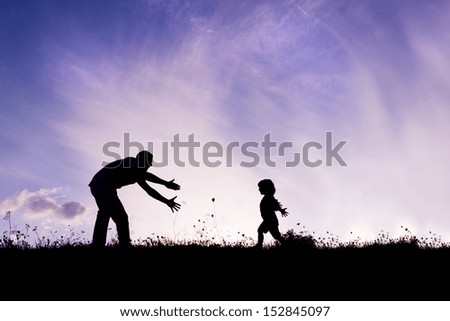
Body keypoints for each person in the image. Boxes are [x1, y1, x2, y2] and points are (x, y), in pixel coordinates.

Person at [88, 150, 181, 247]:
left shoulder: (137, 170)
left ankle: (125, 245)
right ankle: (97, 244)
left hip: (109, 188)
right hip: (101, 184)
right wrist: (166, 198)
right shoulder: (132, 162)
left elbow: (147, 178)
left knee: (122, 218)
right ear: (142, 160)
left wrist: (165, 185)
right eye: (149, 161)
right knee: (105, 210)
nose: (150, 165)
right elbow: (148, 188)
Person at [255, 179, 288, 248]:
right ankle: (286, 245)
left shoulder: (268, 196)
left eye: (260, 187)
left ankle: (259, 246)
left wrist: (280, 209)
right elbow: (274, 204)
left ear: (265, 188)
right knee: (276, 236)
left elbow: (274, 203)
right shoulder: (267, 197)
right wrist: (280, 209)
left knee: (261, 230)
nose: (259, 189)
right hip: (269, 220)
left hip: (270, 220)